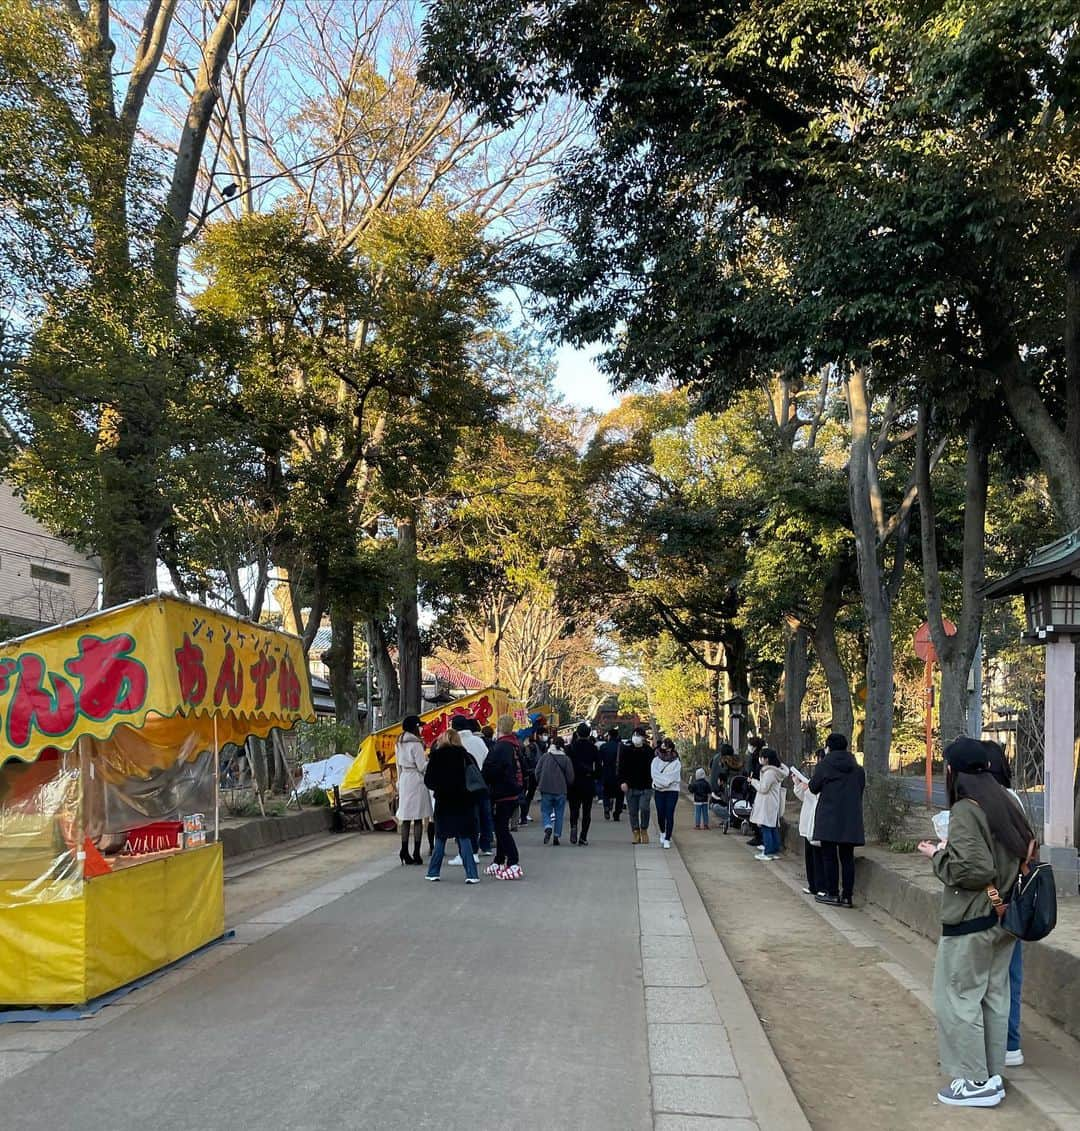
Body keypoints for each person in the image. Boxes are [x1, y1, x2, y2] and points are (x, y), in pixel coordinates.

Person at [917, 737, 1033, 1108]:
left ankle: (973, 1080)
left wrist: (938, 855)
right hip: (1006, 918)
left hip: (972, 918)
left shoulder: (967, 809)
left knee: (958, 997)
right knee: (995, 997)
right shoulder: (1006, 802)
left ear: (952, 771)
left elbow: (973, 867)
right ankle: (991, 1073)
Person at [983, 739, 1026, 1069]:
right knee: (1011, 973)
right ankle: (1010, 1041)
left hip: (994, 898)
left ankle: (1001, 1041)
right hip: (1015, 898)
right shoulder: (1013, 800)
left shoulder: (987, 801)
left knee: (992, 975)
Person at [809, 733, 865, 905]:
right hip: (850, 818)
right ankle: (847, 896)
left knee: (829, 857)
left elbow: (813, 787)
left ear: (829, 747)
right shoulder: (857, 768)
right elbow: (860, 788)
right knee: (847, 857)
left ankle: (832, 893)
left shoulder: (825, 765)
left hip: (829, 817)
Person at [423, 730, 480, 884]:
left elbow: (428, 781)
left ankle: (433, 872)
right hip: (463, 801)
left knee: (441, 837)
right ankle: (472, 874)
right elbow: (475, 778)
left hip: (444, 801)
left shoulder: (436, 756)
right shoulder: (465, 756)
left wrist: (440, 787)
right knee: (464, 837)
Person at [482, 714, 525, 879]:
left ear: (499, 728)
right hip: (513, 792)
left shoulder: (500, 748)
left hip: (502, 792)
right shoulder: (515, 746)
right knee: (502, 828)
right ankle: (499, 859)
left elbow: (490, 770)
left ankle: (513, 862)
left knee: (501, 830)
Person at [450, 715, 493, 863]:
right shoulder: (479, 741)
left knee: (469, 818)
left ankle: (470, 851)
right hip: (482, 781)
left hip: (463, 785)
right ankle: (486, 845)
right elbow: (488, 758)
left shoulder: (455, 743)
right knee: (485, 814)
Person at [395, 715, 433, 865]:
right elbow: (422, 766)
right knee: (418, 817)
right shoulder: (416, 743)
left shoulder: (399, 742)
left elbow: (398, 764)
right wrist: (429, 760)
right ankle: (416, 852)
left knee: (405, 817)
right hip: (416, 780)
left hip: (404, 778)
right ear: (415, 727)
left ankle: (404, 849)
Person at [790, 750, 823, 895]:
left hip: (817, 822)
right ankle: (813, 885)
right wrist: (798, 784)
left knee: (819, 857)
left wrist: (808, 787)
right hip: (807, 821)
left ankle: (821, 886)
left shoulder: (826, 776)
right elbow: (806, 797)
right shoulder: (817, 775)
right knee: (810, 856)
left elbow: (816, 796)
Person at [748, 748, 787, 861]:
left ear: (767, 759)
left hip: (767, 803)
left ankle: (768, 851)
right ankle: (774, 849)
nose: (760, 759)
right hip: (772, 802)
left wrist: (753, 782)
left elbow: (763, 788)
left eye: (762, 757)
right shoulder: (776, 771)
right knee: (772, 827)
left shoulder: (770, 772)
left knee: (766, 827)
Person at [536, 734, 575, 845]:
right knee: (559, 813)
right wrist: (567, 784)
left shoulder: (545, 756)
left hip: (546, 788)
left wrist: (540, 781)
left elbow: (537, 771)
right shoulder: (566, 759)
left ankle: (548, 825)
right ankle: (557, 836)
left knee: (545, 810)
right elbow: (570, 776)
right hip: (561, 789)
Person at [567, 722, 602, 845]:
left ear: (577, 733)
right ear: (589, 734)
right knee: (587, 811)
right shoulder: (593, 748)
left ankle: (573, 827)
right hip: (588, 781)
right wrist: (595, 776)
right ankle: (583, 836)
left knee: (574, 809)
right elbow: (598, 766)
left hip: (573, 782)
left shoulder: (571, 747)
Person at [619, 725, 654, 844]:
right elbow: (621, 767)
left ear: (643, 738)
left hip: (646, 785)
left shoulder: (649, 751)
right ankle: (635, 832)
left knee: (644, 808)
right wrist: (622, 781)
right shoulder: (626, 750)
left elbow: (653, 768)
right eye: (634, 735)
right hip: (630, 786)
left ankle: (644, 829)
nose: (636, 738)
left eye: (638, 735)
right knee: (633, 811)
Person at [650, 739, 682, 849]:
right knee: (660, 813)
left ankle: (668, 838)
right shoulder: (655, 761)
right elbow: (654, 774)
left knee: (669, 813)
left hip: (672, 791)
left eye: (667, 747)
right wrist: (663, 782)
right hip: (659, 790)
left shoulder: (676, 762)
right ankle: (662, 832)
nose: (665, 749)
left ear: (671, 748)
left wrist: (664, 781)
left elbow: (674, 776)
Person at [599, 728, 624, 820]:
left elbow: (599, 762)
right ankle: (617, 813)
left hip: (606, 773)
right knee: (620, 795)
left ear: (609, 736)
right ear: (617, 736)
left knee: (606, 792)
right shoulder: (622, 747)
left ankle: (606, 807)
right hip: (619, 775)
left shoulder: (603, 747)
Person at [745, 736, 765, 846]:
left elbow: (754, 772)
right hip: (754, 785)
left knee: (756, 812)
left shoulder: (756, 758)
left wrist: (751, 780)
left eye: (750, 745)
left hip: (755, 787)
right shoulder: (756, 756)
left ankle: (759, 837)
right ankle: (758, 836)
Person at [519, 731, 540, 825]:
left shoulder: (527, 748)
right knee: (527, 797)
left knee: (524, 797)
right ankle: (523, 816)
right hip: (532, 774)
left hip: (527, 775)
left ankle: (523, 817)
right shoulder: (536, 747)